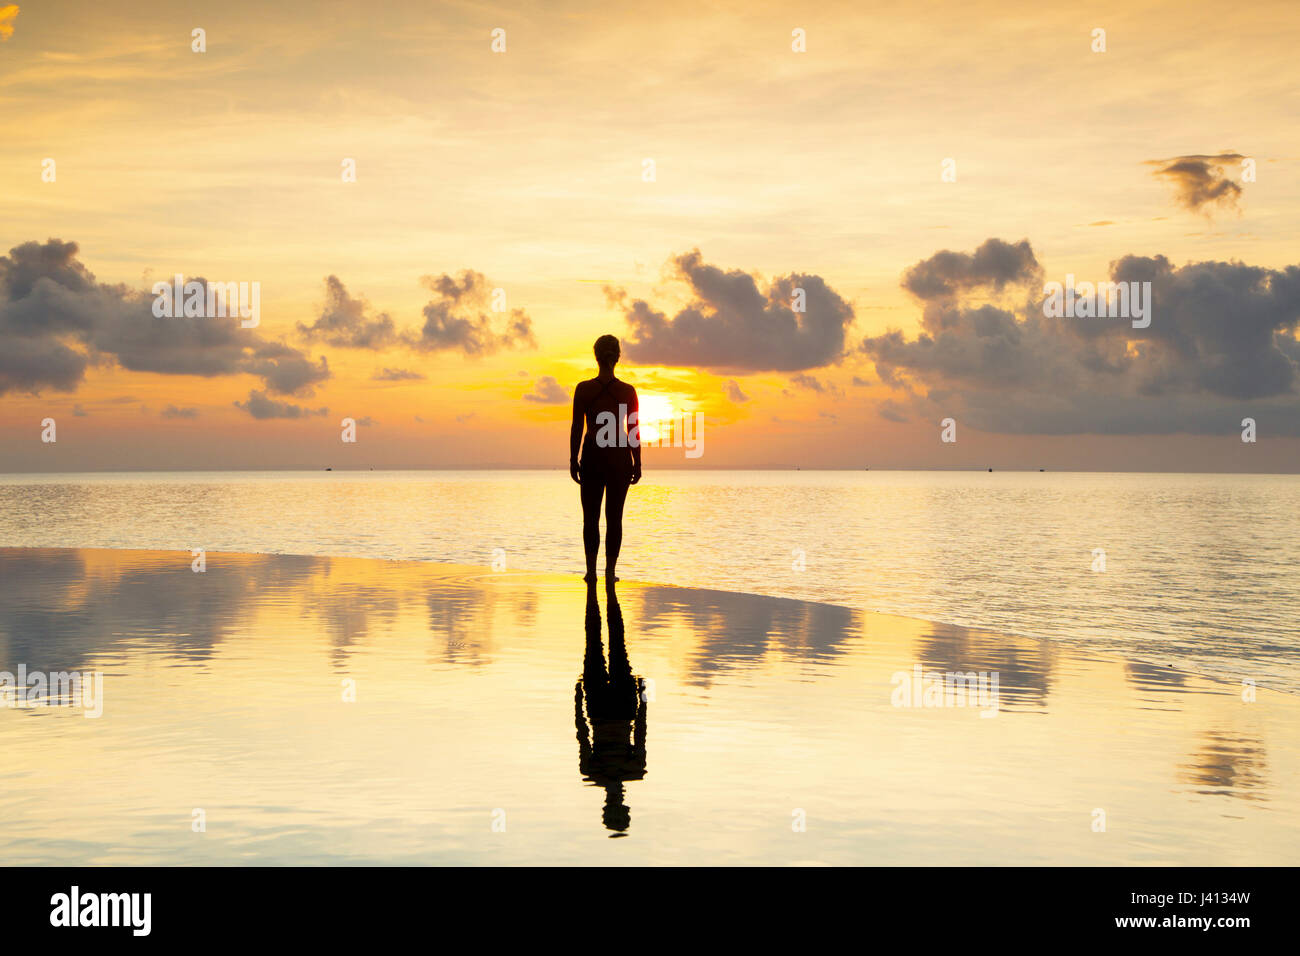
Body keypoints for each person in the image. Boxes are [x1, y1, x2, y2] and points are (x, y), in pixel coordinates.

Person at [570, 335, 641, 583]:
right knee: (615, 518)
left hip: (592, 456)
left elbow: (577, 427)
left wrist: (572, 459)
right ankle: (610, 573)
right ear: (617, 357)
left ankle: (591, 572)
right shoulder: (627, 391)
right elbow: (633, 430)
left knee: (590, 518)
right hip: (619, 457)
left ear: (596, 357)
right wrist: (638, 462)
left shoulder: (584, 389)